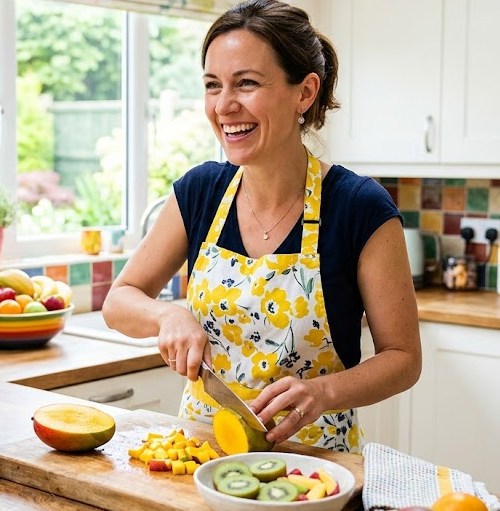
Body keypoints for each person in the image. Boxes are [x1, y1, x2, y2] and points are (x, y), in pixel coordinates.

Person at [101, 0, 421, 454]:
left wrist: (323, 393)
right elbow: (119, 301)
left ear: (304, 93)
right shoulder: (200, 192)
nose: (224, 106)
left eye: (246, 83)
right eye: (213, 86)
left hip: (315, 464)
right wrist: (168, 315)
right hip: (199, 452)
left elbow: (403, 360)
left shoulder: (359, 206)